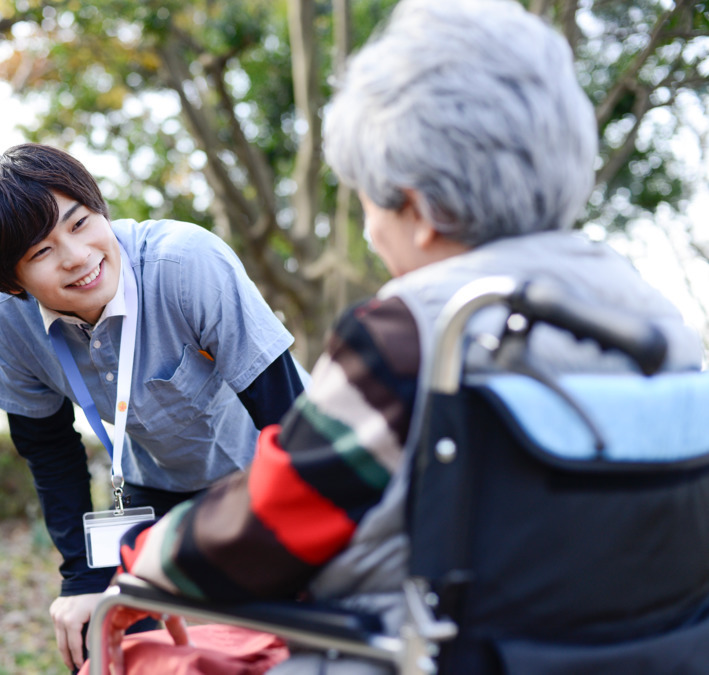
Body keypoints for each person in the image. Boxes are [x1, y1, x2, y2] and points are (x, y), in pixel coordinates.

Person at [104, 0, 704, 672]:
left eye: (364, 197)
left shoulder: (416, 330)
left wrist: (141, 563)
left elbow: (262, 528)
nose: (367, 228)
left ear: (416, 208)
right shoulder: (656, 322)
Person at [0, 143, 306, 671]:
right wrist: (82, 579)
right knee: (115, 641)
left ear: (101, 208)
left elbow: (285, 412)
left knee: (282, 641)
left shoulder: (187, 265)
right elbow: (48, 450)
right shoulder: (6, 320)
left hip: (270, 471)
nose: (76, 256)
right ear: (12, 282)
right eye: (41, 252)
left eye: (79, 223)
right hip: (155, 486)